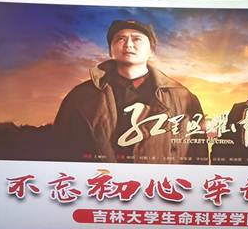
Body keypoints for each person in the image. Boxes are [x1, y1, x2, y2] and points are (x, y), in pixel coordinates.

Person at [52, 19, 207, 164]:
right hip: (100, 181)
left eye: (137, 39)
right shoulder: (80, 96)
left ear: (151, 50)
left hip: (159, 183)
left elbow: (198, 154)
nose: (128, 45)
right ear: (110, 50)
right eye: (120, 39)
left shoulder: (183, 97)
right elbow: (58, 148)